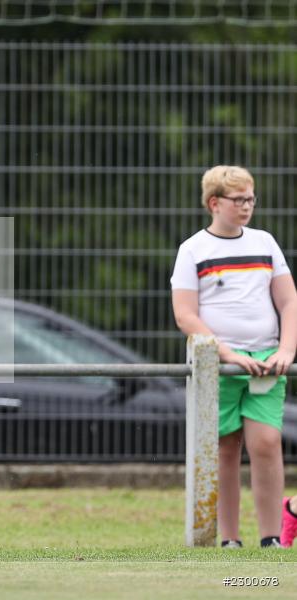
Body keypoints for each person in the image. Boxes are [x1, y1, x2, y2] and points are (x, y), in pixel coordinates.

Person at [171, 165, 297, 549]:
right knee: (225, 447)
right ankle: (229, 538)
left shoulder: (265, 242)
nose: (247, 206)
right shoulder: (193, 249)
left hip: (266, 361)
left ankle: (271, 536)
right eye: (239, 199)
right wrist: (227, 354)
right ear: (214, 203)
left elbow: (288, 299)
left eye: (251, 199)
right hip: (218, 366)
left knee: (266, 443)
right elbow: (186, 315)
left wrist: (286, 350)